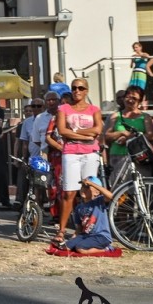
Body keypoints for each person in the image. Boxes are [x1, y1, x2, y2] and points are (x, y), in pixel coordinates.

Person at [54, 78, 103, 249]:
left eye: (81, 88)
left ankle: (83, 228)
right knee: (69, 193)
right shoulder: (64, 109)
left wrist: (74, 131)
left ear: (86, 90)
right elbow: (62, 130)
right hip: (71, 153)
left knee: (88, 192)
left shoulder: (94, 109)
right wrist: (86, 135)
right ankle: (62, 230)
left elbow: (98, 129)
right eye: (74, 88)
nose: (77, 91)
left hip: (90, 153)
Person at [102, 85, 153, 176]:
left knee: (141, 183)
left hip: (139, 157)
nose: (130, 100)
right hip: (118, 155)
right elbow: (106, 136)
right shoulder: (115, 116)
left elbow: (151, 136)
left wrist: (128, 138)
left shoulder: (145, 117)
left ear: (139, 101)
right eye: (128, 97)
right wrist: (121, 132)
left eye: (134, 98)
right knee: (120, 184)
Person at [62, 176, 114, 254]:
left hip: (101, 236)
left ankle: (107, 249)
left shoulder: (99, 201)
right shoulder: (79, 207)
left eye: (87, 187)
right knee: (66, 247)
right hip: (86, 235)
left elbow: (110, 196)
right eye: (82, 186)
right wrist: (73, 238)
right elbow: (79, 228)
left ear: (96, 192)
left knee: (80, 248)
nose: (83, 189)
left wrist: (92, 184)